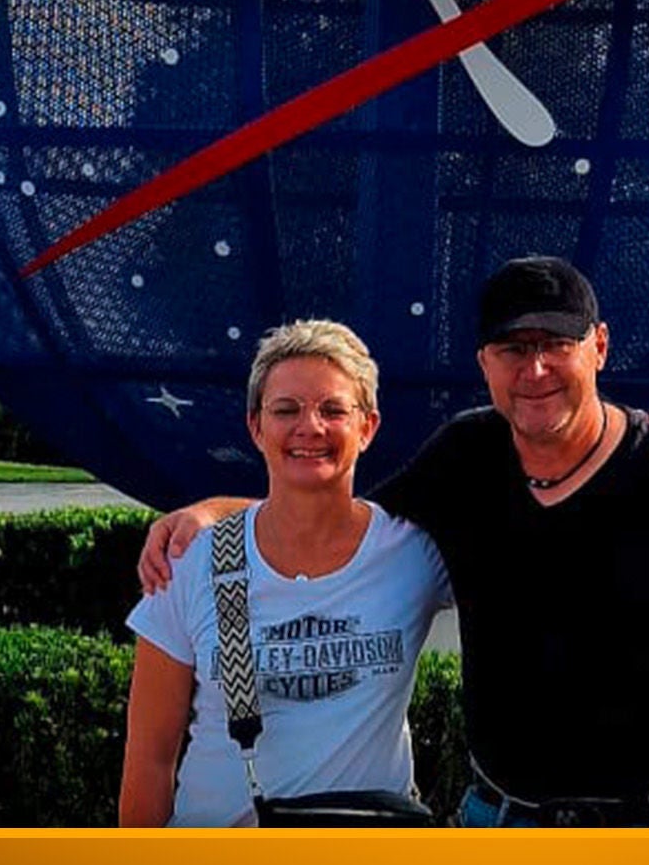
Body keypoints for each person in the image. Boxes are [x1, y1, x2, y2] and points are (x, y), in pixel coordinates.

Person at [141, 256, 649, 827]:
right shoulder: (467, 457)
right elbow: (332, 509)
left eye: (558, 343)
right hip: (503, 821)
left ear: (599, 347)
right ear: (484, 361)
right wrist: (211, 511)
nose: (536, 367)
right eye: (514, 348)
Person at [119, 319, 452, 827]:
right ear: (256, 426)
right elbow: (150, 756)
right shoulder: (195, 561)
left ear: (368, 427)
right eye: (286, 410)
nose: (309, 427)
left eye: (333, 410)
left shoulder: (412, 552)